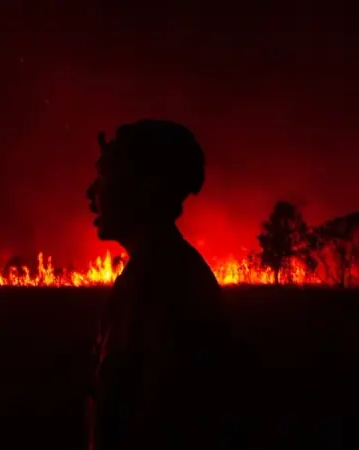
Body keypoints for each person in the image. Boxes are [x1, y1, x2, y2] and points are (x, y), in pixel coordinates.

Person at [85, 120, 235, 450]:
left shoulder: (154, 284)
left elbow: (134, 416)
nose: (91, 194)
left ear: (144, 187)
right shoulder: (163, 271)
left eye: (104, 177)